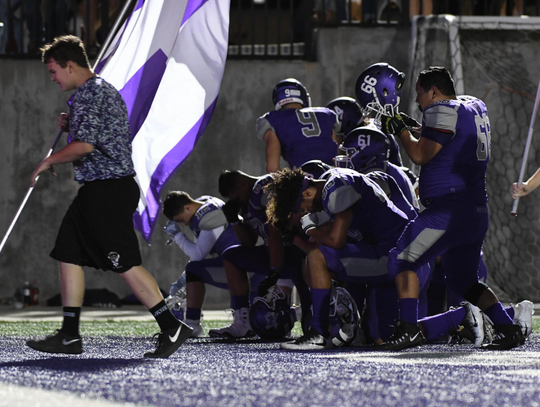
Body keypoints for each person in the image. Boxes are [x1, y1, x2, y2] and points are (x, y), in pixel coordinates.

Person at [26, 35, 192, 358]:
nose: (53, 78)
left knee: (124, 263)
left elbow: (86, 146)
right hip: (102, 189)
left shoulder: (89, 94)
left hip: (108, 190)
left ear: (70, 65)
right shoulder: (98, 91)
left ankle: (171, 326)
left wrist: (48, 161)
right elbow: (101, 135)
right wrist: (73, 122)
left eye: (53, 71)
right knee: (67, 252)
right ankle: (70, 334)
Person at [378, 65, 524, 350]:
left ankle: (409, 328)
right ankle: (508, 327)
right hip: (476, 211)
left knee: (403, 259)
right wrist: (413, 126)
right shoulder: (474, 106)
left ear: (434, 91)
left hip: (448, 210)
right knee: (463, 281)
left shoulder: (440, 109)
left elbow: (420, 154)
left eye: (420, 94)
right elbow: (449, 135)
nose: (418, 101)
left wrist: (400, 133)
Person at [264, 167, 431, 350]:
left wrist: (310, 228)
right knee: (389, 334)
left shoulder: (336, 189)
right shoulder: (332, 184)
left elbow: (335, 242)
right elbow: (324, 246)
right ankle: (452, 320)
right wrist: (299, 238)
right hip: (390, 255)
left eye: (303, 208)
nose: (306, 212)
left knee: (316, 257)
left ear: (307, 192)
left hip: (396, 257)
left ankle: (318, 332)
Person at [212, 170, 312, 338]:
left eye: (235, 196)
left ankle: (317, 323)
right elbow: (248, 242)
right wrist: (234, 220)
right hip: (276, 253)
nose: (235, 201)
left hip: (297, 252)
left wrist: (274, 271)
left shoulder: (263, 188)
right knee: (231, 256)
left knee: (310, 311)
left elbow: (275, 232)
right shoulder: (246, 202)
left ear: (243, 186)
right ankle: (242, 321)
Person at [162, 191, 251, 338]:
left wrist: (177, 236)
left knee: (194, 269)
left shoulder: (209, 216)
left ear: (187, 208)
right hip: (237, 261)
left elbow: (198, 254)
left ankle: (196, 324)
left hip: (244, 268)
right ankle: (192, 323)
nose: (183, 224)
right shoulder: (203, 203)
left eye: (180, 220)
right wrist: (183, 278)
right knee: (194, 269)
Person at [256, 78, 340, 173]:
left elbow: (272, 168)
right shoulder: (326, 114)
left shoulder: (274, 119)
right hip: (333, 176)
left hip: (305, 180)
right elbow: (338, 154)